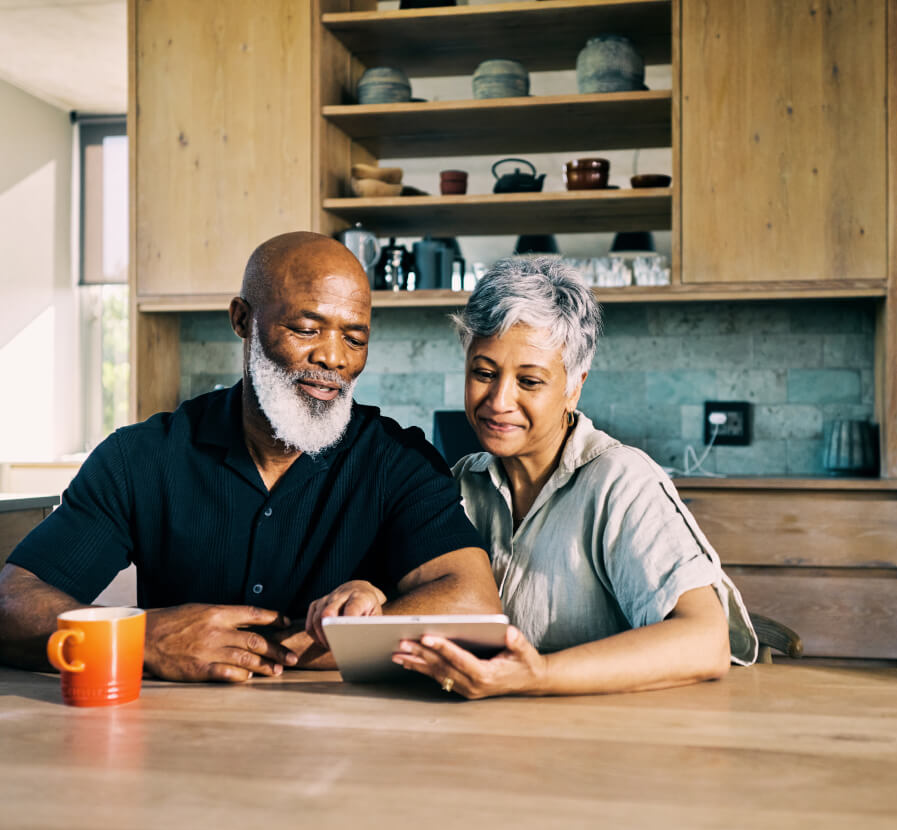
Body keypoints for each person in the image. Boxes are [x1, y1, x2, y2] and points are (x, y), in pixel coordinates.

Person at [0, 231, 501, 682]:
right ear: (243, 319)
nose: (333, 358)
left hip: (350, 750)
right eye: (307, 329)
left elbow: (473, 604)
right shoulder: (140, 459)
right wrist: (142, 639)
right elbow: (12, 601)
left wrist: (332, 640)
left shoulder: (398, 460)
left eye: (354, 338)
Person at [389, 256, 758, 698]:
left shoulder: (620, 481)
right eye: (483, 373)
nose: (499, 400)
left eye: (529, 381)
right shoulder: (457, 485)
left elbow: (706, 641)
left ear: (574, 386)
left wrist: (538, 675)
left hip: (604, 743)